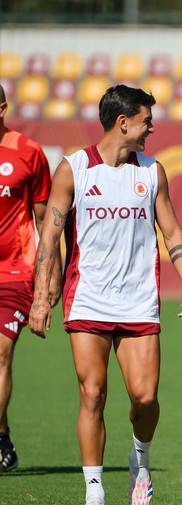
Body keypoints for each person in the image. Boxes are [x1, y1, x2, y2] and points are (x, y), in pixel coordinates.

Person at [29, 85, 182, 505]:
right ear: (123, 123)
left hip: (139, 301)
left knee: (145, 399)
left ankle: (140, 460)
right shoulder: (73, 169)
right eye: (146, 121)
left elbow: (172, 231)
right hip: (87, 299)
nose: (152, 128)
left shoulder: (152, 171)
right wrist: (40, 297)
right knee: (92, 393)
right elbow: (49, 237)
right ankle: (94, 492)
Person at [0, 84, 62, 473]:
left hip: (13, 272)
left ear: (2, 108)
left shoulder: (28, 151)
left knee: (0, 353)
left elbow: (45, 220)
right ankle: (2, 435)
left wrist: (51, 275)